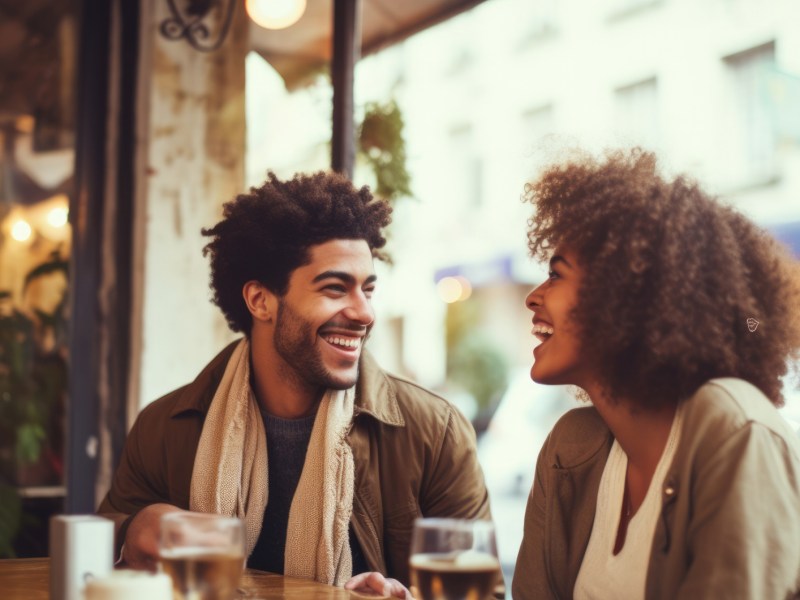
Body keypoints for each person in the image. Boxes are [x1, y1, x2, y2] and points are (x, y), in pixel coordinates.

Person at [97, 171, 493, 596]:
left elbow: (482, 592)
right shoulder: (166, 427)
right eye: (335, 288)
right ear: (260, 300)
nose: (364, 314)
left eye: (368, 290)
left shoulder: (434, 431)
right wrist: (132, 530)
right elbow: (97, 562)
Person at [513, 148, 800, 599]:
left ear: (625, 293)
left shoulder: (736, 432)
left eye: (556, 274)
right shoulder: (570, 448)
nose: (533, 296)